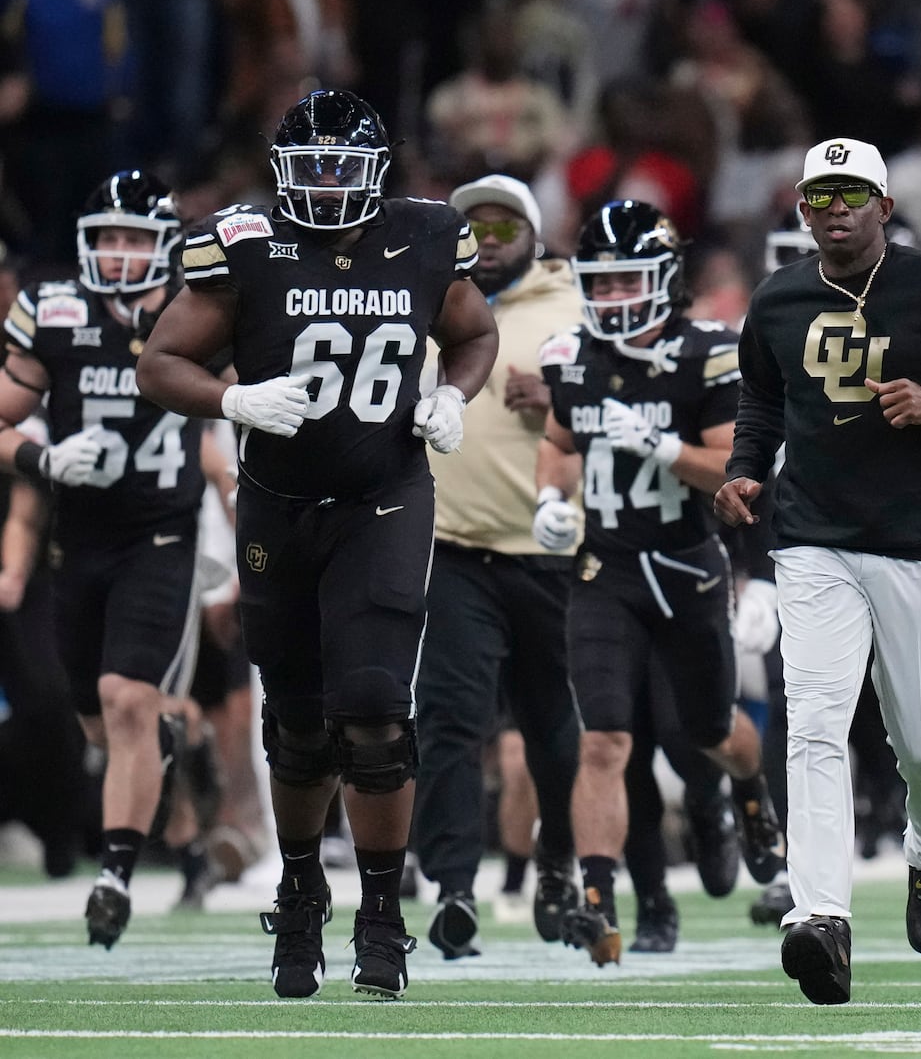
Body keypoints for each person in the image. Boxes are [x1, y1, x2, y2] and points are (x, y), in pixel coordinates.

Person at [136, 90, 499, 999]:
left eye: (346, 166)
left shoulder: (426, 233)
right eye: (314, 167)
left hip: (383, 494)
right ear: (282, 172)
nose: (330, 184)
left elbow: (475, 332)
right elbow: (159, 362)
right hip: (276, 502)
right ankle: (300, 891)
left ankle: (381, 910)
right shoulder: (246, 242)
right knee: (297, 726)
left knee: (375, 714)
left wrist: (454, 393)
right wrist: (231, 399)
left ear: (378, 171)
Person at [717, 137, 921, 1006]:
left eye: (851, 194)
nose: (833, 209)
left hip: (920, 541)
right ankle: (820, 916)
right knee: (815, 721)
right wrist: (747, 467)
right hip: (812, 540)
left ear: (886, 207)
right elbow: (761, 395)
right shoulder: (779, 298)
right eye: (818, 196)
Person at [535, 198, 784, 967]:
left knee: (712, 733)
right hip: (604, 571)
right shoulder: (571, 355)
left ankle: (750, 797)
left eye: (623, 283)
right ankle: (600, 900)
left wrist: (660, 445)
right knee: (605, 738)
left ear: (661, 279)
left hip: (685, 567)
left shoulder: (706, 351)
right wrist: (549, 494)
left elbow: (738, 469)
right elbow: (560, 438)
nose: (609, 299)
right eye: (599, 284)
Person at [0, 169, 196, 948]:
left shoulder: (201, 309)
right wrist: (44, 461)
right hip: (78, 536)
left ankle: (114, 874)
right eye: (107, 238)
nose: (118, 255)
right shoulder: (53, 309)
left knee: (125, 697)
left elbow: (248, 399)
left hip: (163, 530)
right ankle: (158, 752)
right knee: (98, 722)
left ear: (164, 245)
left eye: (134, 239)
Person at [413, 173, 583, 960]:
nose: (485, 234)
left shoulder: (578, 299)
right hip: (454, 546)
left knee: (553, 728)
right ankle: (451, 886)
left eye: (502, 220)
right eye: (472, 220)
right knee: (451, 719)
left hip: (551, 547)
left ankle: (554, 858)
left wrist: (559, 399)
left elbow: (637, 397)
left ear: (534, 231)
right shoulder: (425, 294)